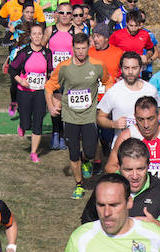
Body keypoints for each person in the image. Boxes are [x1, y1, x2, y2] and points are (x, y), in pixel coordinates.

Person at [45, 32, 113, 199]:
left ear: (88, 47)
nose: (81, 52)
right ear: (73, 48)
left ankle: (86, 160)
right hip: (70, 117)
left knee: (89, 152)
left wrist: (106, 103)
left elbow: (108, 82)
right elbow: (48, 87)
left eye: (84, 48)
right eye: (78, 49)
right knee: (73, 153)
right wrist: (51, 107)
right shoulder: (64, 67)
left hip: (89, 116)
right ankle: (79, 185)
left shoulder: (97, 65)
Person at [103, 95, 160, 193]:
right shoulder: (126, 136)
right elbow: (110, 167)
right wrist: (130, 176)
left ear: (159, 114)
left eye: (150, 118)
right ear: (135, 117)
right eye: (140, 119)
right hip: (136, 197)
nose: (146, 125)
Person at [8, 22, 53, 161]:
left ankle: (34, 152)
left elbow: (50, 71)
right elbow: (12, 69)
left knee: (38, 121)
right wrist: (20, 80)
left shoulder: (47, 53)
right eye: (35, 34)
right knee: (27, 123)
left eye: (40, 34)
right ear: (30, 36)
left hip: (40, 92)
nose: (38, 36)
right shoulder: (23, 53)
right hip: (24, 91)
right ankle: (22, 125)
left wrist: (49, 82)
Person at [96, 51, 160, 141]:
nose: (130, 72)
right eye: (126, 68)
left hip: (146, 145)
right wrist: (113, 124)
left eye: (134, 68)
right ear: (121, 69)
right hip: (122, 146)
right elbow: (100, 117)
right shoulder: (114, 91)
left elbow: (158, 114)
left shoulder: (151, 90)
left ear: (141, 68)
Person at [88, 23, 124, 167]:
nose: (95, 39)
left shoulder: (118, 53)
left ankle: (105, 142)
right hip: (92, 97)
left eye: (98, 36)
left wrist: (121, 79)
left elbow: (124, 71)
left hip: (110, 98)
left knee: (107, 132)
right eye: (93, 36)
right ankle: (97, 161)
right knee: (93, 130)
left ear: (106, 38)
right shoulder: (88, 53)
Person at [47, 3, 76, 149]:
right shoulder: (50, 30)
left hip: (70, 75)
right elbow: (43, 50)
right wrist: (48, 68)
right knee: (55, 105)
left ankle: (64, 134)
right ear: (57, 14)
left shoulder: (76, 31)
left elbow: (83, 51)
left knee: (67, 106)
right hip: (54, 75)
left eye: (68, 13)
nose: (65, 15)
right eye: (62, 12)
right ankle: (55, 132)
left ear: (72, 15)